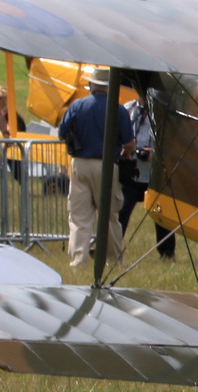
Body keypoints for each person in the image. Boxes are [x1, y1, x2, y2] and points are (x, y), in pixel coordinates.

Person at [58, 69, 135, 269]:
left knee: (79, 216)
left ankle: (78, 261)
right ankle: (113, 260)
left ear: (92, 85)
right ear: (109, 87)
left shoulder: (77, 106)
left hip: (80, 163)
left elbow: (62, 133)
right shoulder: (118, 110)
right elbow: (130, 143)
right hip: (107, 164)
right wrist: (125, 155)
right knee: (109, 216)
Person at [116, 91, 175, 260]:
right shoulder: (128, 109)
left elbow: (172, 143)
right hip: (131, 174)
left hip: (154, 175)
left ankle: (167, 253)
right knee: (120, 213)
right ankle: (112, 250)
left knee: (162, 216)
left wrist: (154, 154)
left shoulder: (165, 113)